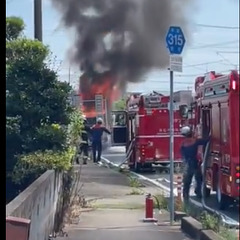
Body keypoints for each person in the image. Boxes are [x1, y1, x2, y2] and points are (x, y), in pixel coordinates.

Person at [180, 126, 210, 203]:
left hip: (187, 164)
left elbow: (183, 155)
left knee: (187, 181)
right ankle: (200, 194)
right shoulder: (195, 141)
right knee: (199, 179)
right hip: (195, 163)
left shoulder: (183, 144)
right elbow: (205, 141)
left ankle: (185, 195)